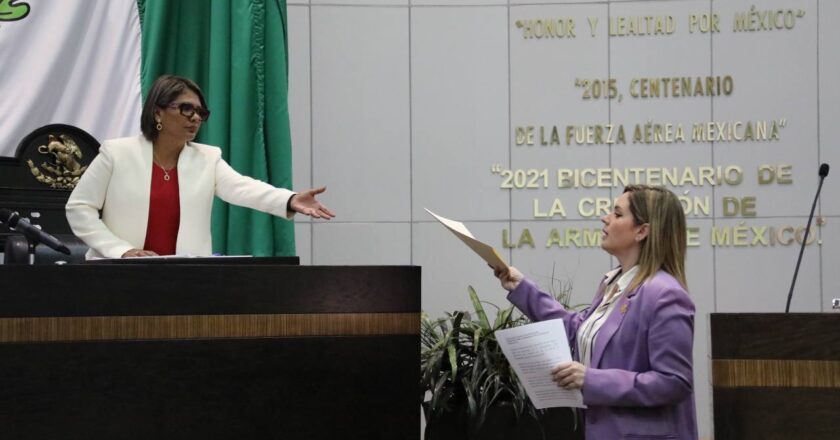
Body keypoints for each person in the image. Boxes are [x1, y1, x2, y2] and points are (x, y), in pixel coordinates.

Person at [494, 185, 697, 440]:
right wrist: (522, 289)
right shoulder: (613, 283)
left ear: (642, 231)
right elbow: (578, 330)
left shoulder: (666, 294)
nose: (606, 218)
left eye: (618, 214)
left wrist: (591, 380)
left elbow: (673, 383)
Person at [67, 74, 334, 259]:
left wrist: (289, 199)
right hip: (119, 274)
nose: (195, 117)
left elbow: (243, 188)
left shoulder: (207, 158)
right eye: (186, 109)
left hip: (186, 277)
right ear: (157, 112)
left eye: (201, 113)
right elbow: (79, 208)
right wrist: (119, 249)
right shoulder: (117, 153)